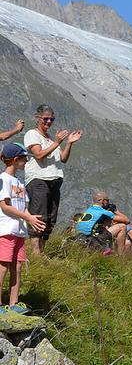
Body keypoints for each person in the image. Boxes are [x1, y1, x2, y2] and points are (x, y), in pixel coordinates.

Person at [23, 104, 82, 254]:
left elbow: (63, 158)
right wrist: (57, 142)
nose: (49, 122)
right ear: (38, 118)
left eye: (52, 119)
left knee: (50, 218)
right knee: (39, 215)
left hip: (54, 180)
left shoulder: (50, 138)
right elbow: (38, 155)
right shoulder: (32, 134)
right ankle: (36, 252)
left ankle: (42, 251)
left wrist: (69, 143)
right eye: (46, 118)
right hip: (39, 179)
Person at [0, 143, 45, 314]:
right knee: (2, 266)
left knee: (17, 266)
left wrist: (31, 219)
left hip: (19, 231)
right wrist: (27, 217)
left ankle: (14, 303)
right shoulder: (3, 180)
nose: (26, 161)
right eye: (24, 158)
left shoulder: (19, 182)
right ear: (15, 159)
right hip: (5, 229)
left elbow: (23, 207)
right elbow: (5, 206)